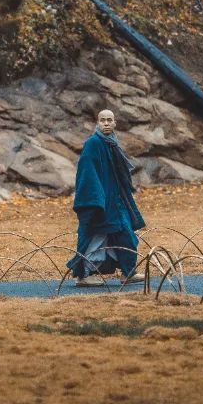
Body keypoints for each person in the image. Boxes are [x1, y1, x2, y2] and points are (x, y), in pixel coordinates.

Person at [68, 109, 146, 287]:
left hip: (115, 200)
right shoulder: (93, 143)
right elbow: (87, 172)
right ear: (97, 122)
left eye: (109, 120)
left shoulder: (112, 143)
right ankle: (83, 275)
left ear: (115, 123)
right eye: (102, 120)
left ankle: (128, 273)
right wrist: (94, 201)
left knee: (126, 235)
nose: (106, 123)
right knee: (92, 237)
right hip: (100, 202)